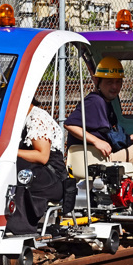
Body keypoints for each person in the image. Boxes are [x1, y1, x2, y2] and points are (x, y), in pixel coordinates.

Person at [7, 100, 78, 234]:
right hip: (36, 172)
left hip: (52, 177)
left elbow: (42, 156)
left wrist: (7, 151)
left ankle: (19, 227)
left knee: (20, 170)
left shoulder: (38, 117)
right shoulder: (13, 119)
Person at [63, 57, 133, 163]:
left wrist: (129, 138)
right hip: (95, 160)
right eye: (109, 82)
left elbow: (107, 133)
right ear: (97, 81)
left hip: (101, 157)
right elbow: (69, 124)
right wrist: (96, 141)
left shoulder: (105, 102)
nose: (115, 87)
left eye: (118, 81)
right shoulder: (95, 101)